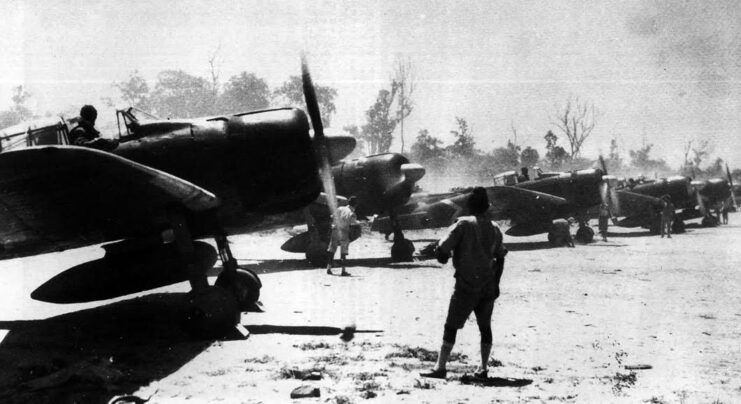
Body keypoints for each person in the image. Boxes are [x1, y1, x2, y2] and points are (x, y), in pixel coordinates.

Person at [420, 187, 507, 380]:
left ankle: (440, 367)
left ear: (469, 205)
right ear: (487, 207)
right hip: (487, 286)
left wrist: (441, 256)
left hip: (466, 285)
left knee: (451, 326)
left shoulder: (462, 224)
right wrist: (496, 283)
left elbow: (443, 250)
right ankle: (483, 368)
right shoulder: (495, 228)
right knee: (485, 328)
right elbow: (501, 257)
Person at [326, 196, 359, 276]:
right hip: (343, 232)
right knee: (343, 252)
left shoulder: (340, 208)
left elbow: (332, 217)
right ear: (355, 205)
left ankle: (328, 268)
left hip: (335, 230)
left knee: (332, 249)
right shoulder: (352, 213)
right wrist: (359, 223)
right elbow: (353, 223)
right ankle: (343, 271)